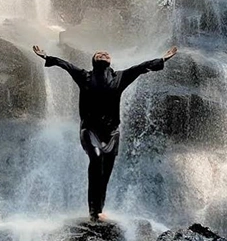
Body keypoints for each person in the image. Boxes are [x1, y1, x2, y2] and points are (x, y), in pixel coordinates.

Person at [32, 44, 178, 221]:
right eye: (99, 54)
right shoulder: (84, 76)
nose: (103, 54)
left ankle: (98, 210)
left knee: (105, 173)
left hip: (111, 134)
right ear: (93, 61)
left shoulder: (120, 77)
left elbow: (140, 68)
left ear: (110, 61)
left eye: (106, 54)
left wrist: (162, 59)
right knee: (96, 160)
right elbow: (66, 65)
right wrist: (46, 57)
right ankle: (93, 211)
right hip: (89, 130)